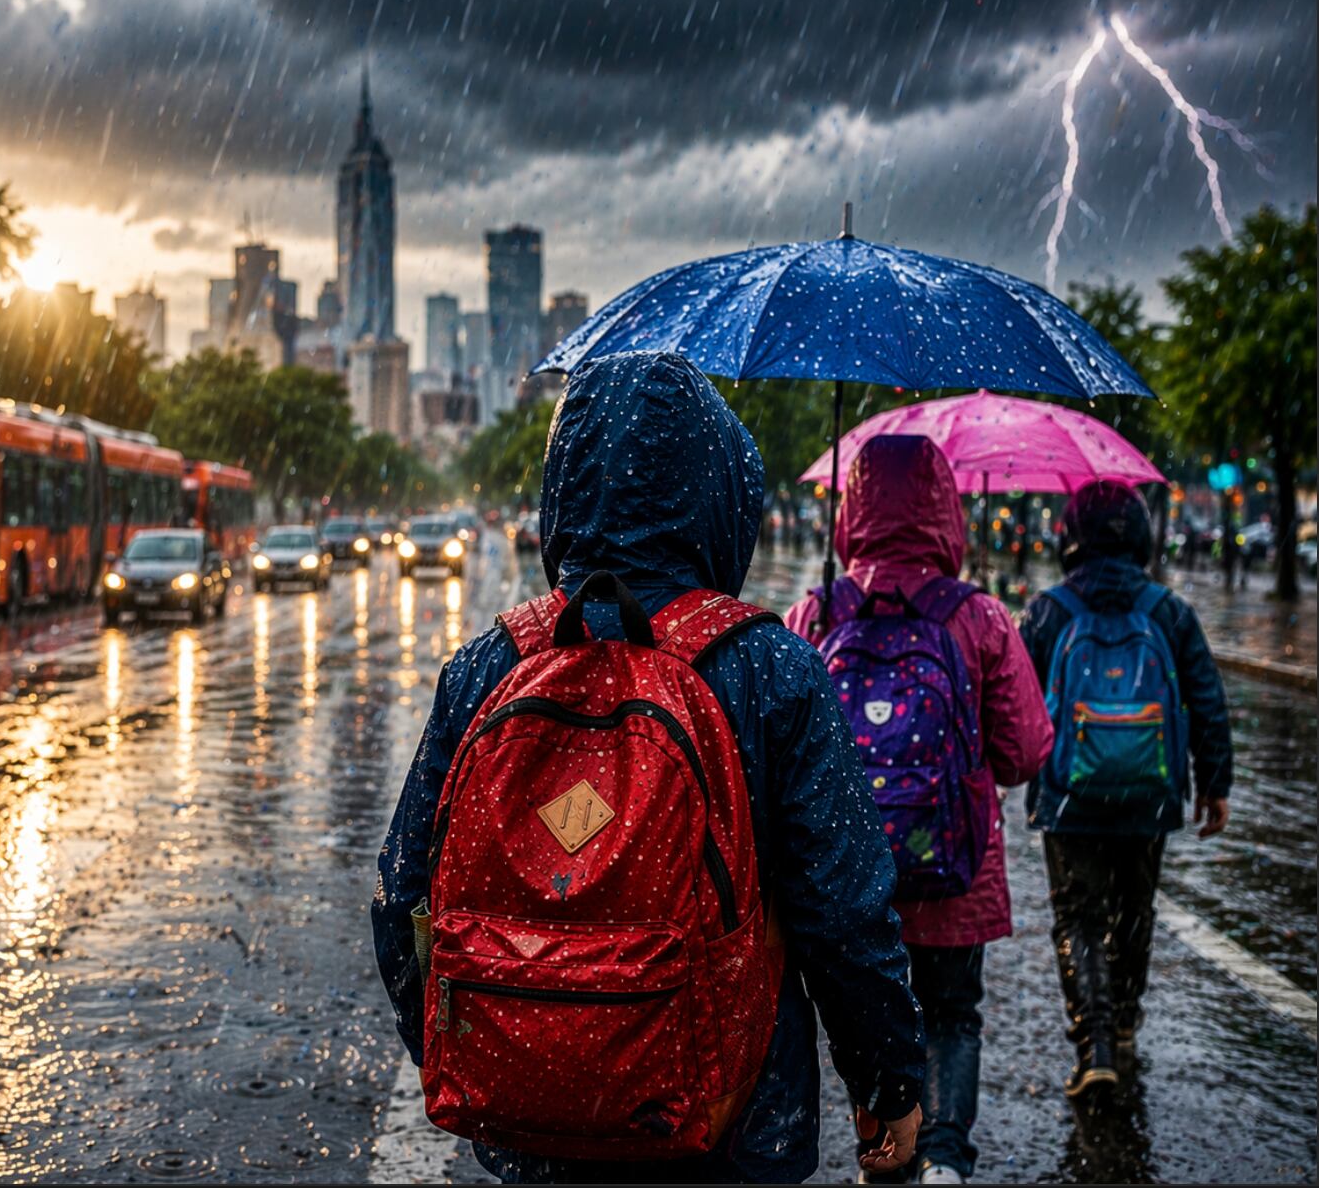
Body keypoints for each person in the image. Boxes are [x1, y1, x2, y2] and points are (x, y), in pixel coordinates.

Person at [372, 352, 926, 1184]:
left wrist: (497, 1048)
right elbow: (844, 912)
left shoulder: (490, 666)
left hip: (534, 1136)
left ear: (563, 482)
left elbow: (401, 897)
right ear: (722, 491)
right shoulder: (770, 669)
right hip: (733, 1127)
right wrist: (886, 1078)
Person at [785, 436, 1053, 1186]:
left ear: (852, 511)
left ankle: (885, 1157)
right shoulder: (978, 619)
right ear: (947, 510)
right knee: (951, 1014)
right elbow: (1026, 753)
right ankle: (944, 1159)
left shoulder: (815, 613)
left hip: (846, 881)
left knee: (863, 1017)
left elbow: (777, 760)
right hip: (954, 873)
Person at [1019, 479, 1233, 1096]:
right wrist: (1213, 782)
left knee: (1078, 917)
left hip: (1068, 796)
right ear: (1141, 533)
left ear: (1071, 536)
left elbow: (1017, 707)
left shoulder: (1049, 611)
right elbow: (1206, 699)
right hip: (1150, 795)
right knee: (1135, 912)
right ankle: (1128, 1027)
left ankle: (1096, 1046)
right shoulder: (1169, 611)